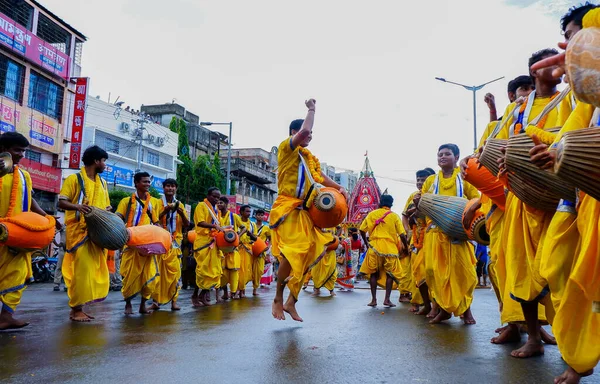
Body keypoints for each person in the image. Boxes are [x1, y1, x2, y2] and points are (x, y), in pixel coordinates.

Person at [528, 4, 600, 382]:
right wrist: (546, 147)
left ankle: (578, 362)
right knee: (558, 268)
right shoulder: (587, 99)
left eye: (577, 37)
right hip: (582, 200)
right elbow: (567, 138)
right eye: (571, 40)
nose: (572, 46)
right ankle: (579, 355)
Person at [270, 99, 347, 322]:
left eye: (311, 136)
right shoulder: (287, 149)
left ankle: (291, 301)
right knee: (295, 251)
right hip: (288, 208)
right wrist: (312, 110)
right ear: (293, 133)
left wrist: (338, 187)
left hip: (306, 212)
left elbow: (320, 178)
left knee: (314, 252)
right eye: (306, 135)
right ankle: (277, 298)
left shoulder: (309, 158)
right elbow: (305, 130)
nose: (309, 137)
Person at [416, 143, 479, 325]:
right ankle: (443, 310)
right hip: (435, 234)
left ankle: (466, 311)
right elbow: (423, 205)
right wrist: (417, 202)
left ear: (456, 157)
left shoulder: (464, 177)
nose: (442, 157)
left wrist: (470, 208)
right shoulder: (431, 181)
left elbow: (476, 198)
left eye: (447, 154)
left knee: (463, 273)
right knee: (434, 273)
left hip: (458, 234)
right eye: (439, 154)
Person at [0, 133, 55, 330]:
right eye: (17, 150)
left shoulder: (24, 176)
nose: (21, 155)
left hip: (17, 236)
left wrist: (47, 219)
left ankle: (6, 316)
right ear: (3, 148)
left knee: (17, 274)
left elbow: (30, 201)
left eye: (23, 151)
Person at [58, 145, 112, 322]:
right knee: (82, 271)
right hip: (79, 233)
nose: (105, 165)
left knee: (94, 271)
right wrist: (78, 207)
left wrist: (107, 211)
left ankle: (80, 307)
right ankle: (76, 309)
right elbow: (62, 202)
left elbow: (105, 206)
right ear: (96, 161)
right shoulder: (74, 179)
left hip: (97, 235)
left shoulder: (103, 183)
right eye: (103, 161)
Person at [116, 172, 160, 315]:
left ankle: (143, 305)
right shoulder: (126, 201)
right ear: (136, 183)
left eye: (149, 182)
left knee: (148, 275)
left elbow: (156, 222)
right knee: (129, 276)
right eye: (144, 182)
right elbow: (119, 217)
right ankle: (128, 304)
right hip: (130, 244)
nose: (147, 184)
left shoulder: (153, 203)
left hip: (147, 246)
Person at [359, 194, 407, 308]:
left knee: (374, 274)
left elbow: (361, 230)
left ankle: (374, 300)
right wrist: (406, 246)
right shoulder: (394, 216)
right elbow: (402, 234)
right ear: (391, 204)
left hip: (374, 247)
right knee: (390, 275)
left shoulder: (372, 214)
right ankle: (387, 299)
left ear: (380, 202)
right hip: (390, 249)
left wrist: (366, 242)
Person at [150, 178, 190, 311]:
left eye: (173, 186)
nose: (170, 189)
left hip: (175, 241)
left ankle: (174, 301)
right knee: (157, 272)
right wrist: (166, 211)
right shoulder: (156, 202)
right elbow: (153, 219)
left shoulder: (180, 205)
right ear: (163, 188)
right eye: (168, 186)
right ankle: (155, 301)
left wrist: (180, 212)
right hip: (160, 240)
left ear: (176, 189)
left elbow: (186, 224)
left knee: (175, 273)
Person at [403, 168, 435, 313]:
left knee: (432, 271)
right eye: (418, 180)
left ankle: (435, 305)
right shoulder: (412, 196)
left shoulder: (435, 194)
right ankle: (418, 302)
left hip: (432, 236)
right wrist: (408, 231)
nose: (420, 182)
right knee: (416, 271)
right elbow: (405, 216)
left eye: (424, 179)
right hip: (416, 238)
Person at [192, 187, 223, 307]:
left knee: (214, 271)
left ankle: (202, 295)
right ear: (208, 195)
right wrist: (215, 227)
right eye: (214, 196)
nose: (216, 199)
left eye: (218, 197)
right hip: (203, 242)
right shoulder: (201, 206)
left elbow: (217, 226)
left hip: (213, 242)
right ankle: (195, 295)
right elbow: (200, 222)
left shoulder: (216, 210)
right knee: (202, 271)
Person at [217, 196, 244, 300]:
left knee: (233, 272)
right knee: (222, 272)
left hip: (233, 249)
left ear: (226, 204)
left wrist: (237, 237)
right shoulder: (216, 216)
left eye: (221, 203)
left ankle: (233, 293)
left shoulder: (234, 216)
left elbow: (244, 228)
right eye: (218, 203)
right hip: (220, 250)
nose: (219, 205)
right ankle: (224, 292)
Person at [311, 226, 341, 297]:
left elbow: (339, 228)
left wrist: (336, 236)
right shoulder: (319, 222)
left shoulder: (333, 221)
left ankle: (331, 290)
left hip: (331, 253)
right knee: (316, 272)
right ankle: (317, 289)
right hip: (320, 251)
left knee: (331, 272)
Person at [238, 205, 259, 297]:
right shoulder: (236, 222)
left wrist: (250, 234)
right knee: (237, 270)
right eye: (247, 211)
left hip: (248, 250)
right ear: (241, 212)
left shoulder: (252, 224)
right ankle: (235, 290)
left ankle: (242, 290)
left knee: (246, 271)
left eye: (249, 212)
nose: (249, 213)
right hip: (237, 249)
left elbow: (256, 238)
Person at [255, 209, 273, 287]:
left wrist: (268, 247)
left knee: (261, 268)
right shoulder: (251, 225)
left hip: (262, 250)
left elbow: (270, 238)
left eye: (262, 215)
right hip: (251, 248)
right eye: (258, 215)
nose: (260, 216)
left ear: (264, 216)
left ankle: (260, 282)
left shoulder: (266, 228)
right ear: (255, 216)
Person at [52, 225, 66, 292]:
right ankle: (56, 284)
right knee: (59, 267)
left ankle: (67, 285)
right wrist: (57, 244)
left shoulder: (75, 225)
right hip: (63, 249)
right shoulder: (63, 226)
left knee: (70, 268)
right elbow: (53, 235)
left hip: (72, 250)